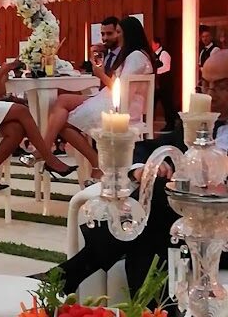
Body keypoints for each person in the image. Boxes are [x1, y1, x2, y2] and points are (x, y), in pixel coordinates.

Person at [35, 50, 228, 314]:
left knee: (154, 205)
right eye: (205, 84)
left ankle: (68, 274)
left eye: (221, 85)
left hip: (220, 233)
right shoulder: (196, 120)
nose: (210, 92)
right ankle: (153, 311)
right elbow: (154, 146)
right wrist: (141, 169)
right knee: (146, 234)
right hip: (181, 226)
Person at [22, 16, 155, 182]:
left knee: (62, 122)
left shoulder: (136, 56)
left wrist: (100, 75)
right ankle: (46, 149)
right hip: (112, 99)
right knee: (62, 101)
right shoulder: (133, 54)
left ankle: (90, 161)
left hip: (120, 106)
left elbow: (121, 90)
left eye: (119, 32)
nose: (116, 36)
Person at [0, 22, 75, 190]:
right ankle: (49, 158)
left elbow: (0, 91)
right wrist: (2, 72)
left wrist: (10, 69)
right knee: (22, 111)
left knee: (16, 129)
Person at [152, 37, 177, 132]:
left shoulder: (164, 53)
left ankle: (171, 124)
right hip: (157, 84)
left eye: (152, 44)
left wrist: (154, 72)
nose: (151, 46)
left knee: (167, 104)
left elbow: (166, 67)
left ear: (157, 44)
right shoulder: (153, 55)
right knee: (152, 103)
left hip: (165, 83)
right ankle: (149, 123)